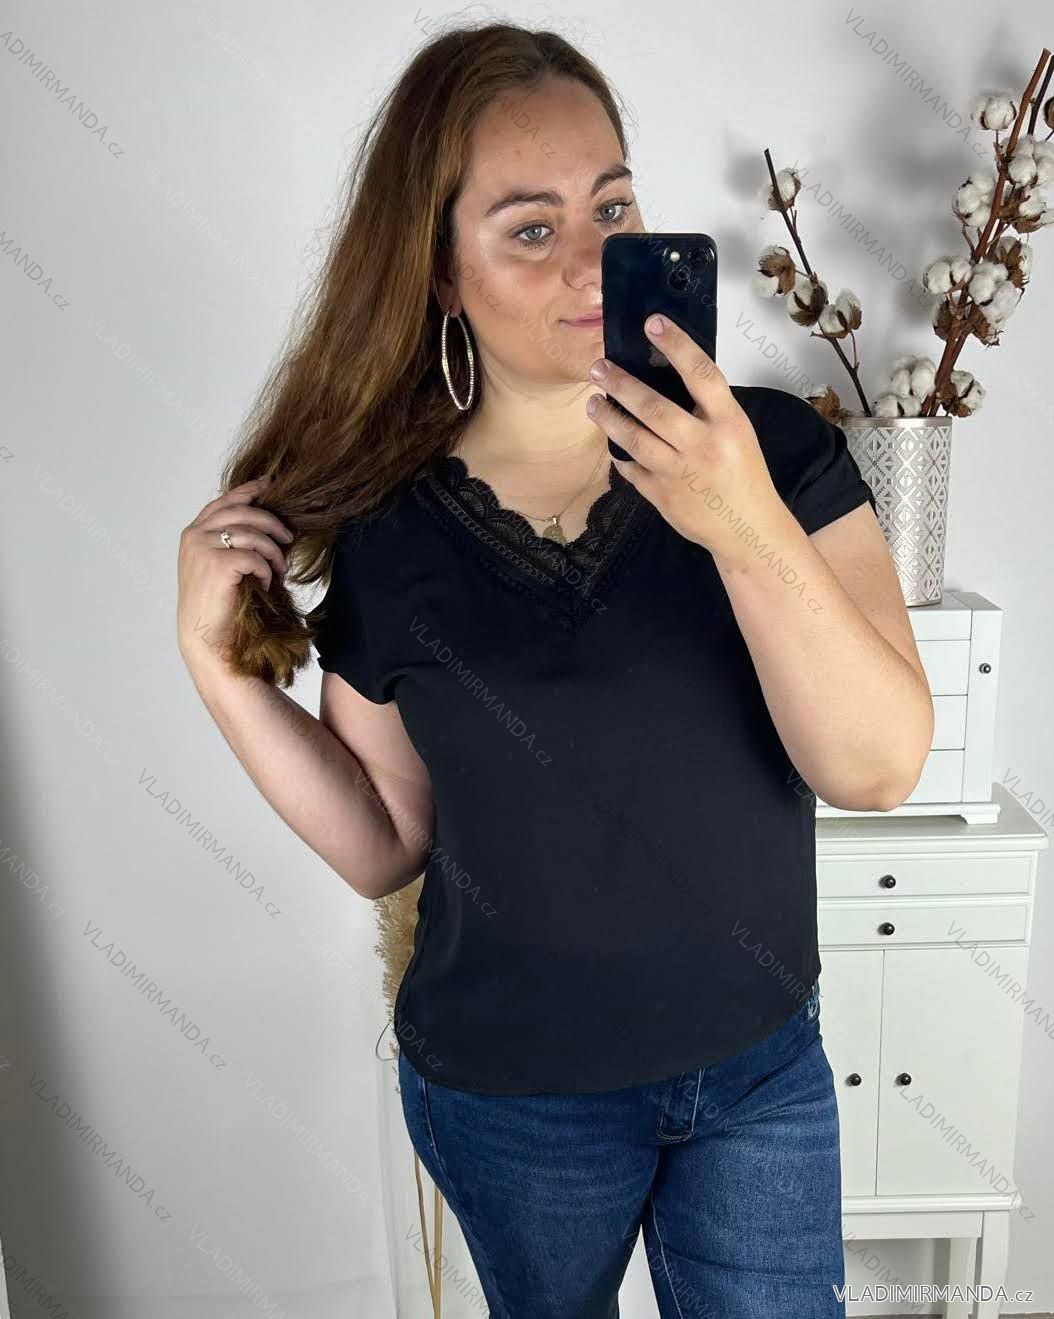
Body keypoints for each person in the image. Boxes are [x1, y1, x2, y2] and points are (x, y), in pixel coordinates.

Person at [176, 20, 934, 1319]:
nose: (591, 259)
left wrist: (741, 523)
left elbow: (876, 768)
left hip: (756, 1071)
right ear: (439, 273)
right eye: (530, 228)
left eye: (612, 206)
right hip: (510, 1097)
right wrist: (218, 667)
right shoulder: (390, 530)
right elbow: (385, 842)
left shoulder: (775, 451)